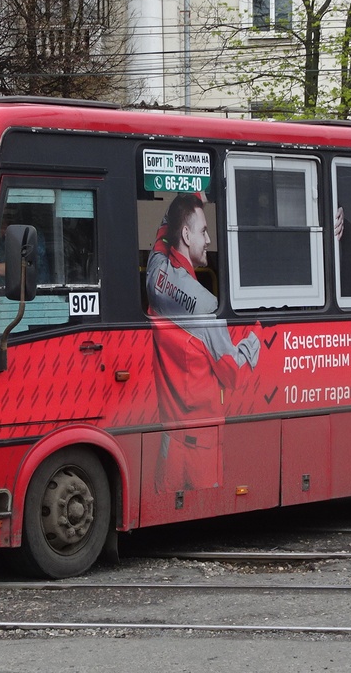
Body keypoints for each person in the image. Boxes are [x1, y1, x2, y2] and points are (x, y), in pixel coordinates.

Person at [146, 193, 260, 492]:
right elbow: (232, 373)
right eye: (203, 231)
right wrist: (257, 334)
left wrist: (192, 197)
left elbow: (162, 233)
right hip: (201, 449)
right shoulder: (206, 305)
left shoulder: (155, 274)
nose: (209, 239)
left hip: (169, 444)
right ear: (186, 234)